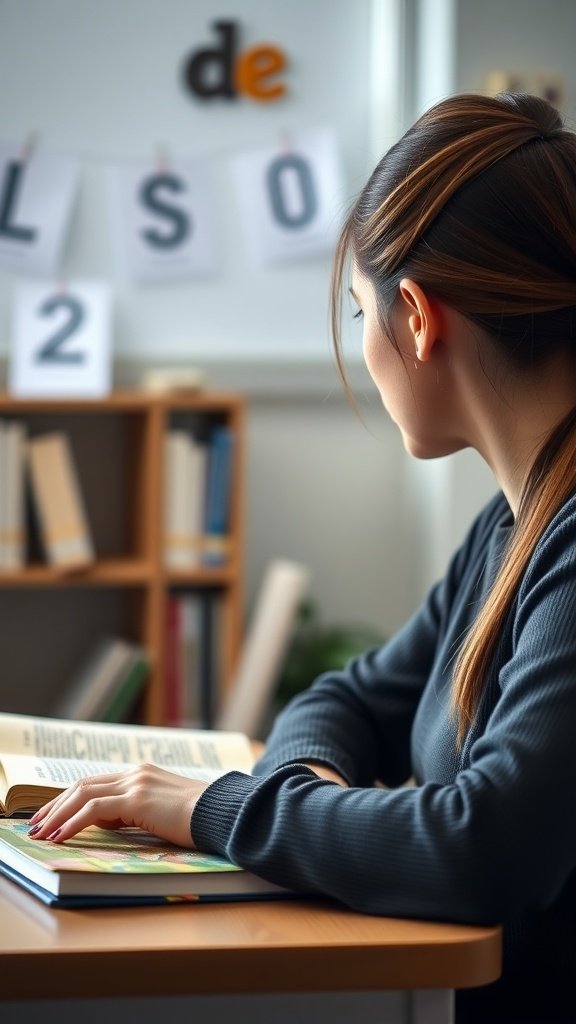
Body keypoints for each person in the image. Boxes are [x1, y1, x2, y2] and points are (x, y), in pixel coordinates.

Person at [27, 92, 576, 1023]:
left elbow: (485, 848)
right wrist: (297, 790)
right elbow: (346, 696)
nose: (365, 346)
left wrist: (214, 808)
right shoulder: (511, 528)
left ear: (415, 317)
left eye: (360, 310)